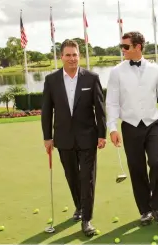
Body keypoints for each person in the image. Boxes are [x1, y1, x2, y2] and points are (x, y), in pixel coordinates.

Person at [106, 31, 158, 225]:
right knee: (136, 168)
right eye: (121, 46)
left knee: (157, 163)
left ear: (138, 47)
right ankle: (145, 210)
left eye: (126, 47)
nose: (122, 50)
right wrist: (112, 127)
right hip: (130, 126)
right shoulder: (116, 72)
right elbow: (112, 102)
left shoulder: (156, 70)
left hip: (152, 124)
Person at [41, 39, 106, 236]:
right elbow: (46, 111)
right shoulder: (51, 80)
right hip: (63, 138)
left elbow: (100, 109)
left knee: (87, 178)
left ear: (80, 56)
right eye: (68, 55)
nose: (72, 58)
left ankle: (86, 219)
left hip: (88, 137)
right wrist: (47, 137)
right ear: (61, 57)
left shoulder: (91, 78)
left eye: (75, 55)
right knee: (72, 177)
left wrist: (102, 134)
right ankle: (79, 206)